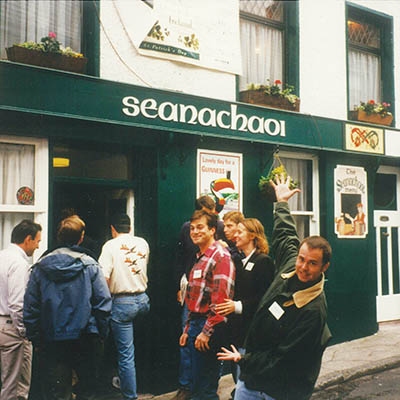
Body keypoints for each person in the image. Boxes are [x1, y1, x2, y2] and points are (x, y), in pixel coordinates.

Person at [217, 175, 332, 400]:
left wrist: (244, 360)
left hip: (281, 391)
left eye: (312, 263)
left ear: (324, 267)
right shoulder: (291, 264)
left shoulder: (313, 311)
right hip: (251, 381)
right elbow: (286, 234)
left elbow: (284, 358)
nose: (304, 267)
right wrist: (281, 203)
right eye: (302, 259)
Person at [23, 215, 111, 400]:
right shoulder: (90, 266)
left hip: (52, 338)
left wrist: (36, 338)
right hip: (86, 336)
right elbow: (103, 303)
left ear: (58, 236)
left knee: (57, 392)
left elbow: (31, 308)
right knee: (87, 391)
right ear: (81, 237)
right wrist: (100, 332)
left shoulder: (39, 268)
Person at [173, 209, 235, 400]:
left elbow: (221, 302)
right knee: (197, 387)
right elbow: (195, 297)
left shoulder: (220, 257)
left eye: (200, 227)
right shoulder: (200, 256)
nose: (195, 232)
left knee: (205, 391)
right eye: (192, 228)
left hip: (208, 328)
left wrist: (206, 332)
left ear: (212, 230)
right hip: (196, 326)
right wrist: (187, 329)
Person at [216, 218, 275, 395]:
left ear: (253, 236)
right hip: (237, 330)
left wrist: (237, 306)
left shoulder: (262, 261)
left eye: (240, 231)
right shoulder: (241, 260)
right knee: (238, 375)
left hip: (250, 331)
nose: (236, 235)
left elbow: (265, 299)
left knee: (245, 379)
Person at [98, 213, 150, 400]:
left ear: (113, 229)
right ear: (130, 227)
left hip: (122, 302)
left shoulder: (110, 246)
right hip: (143, 300)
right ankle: (130, 381)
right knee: (137, 346)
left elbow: (103, 279)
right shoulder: (143, 243)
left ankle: (130, 395)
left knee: (126, 353)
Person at [0, 220, 42, 400]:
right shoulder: (19, 264)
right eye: (37, 241)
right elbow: (17, 304)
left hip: (2, 324)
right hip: (12, 328)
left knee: (8, 383)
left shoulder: (2, 256)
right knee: (16, 387)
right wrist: (26, 332)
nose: (38, 246)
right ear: (27, 239)